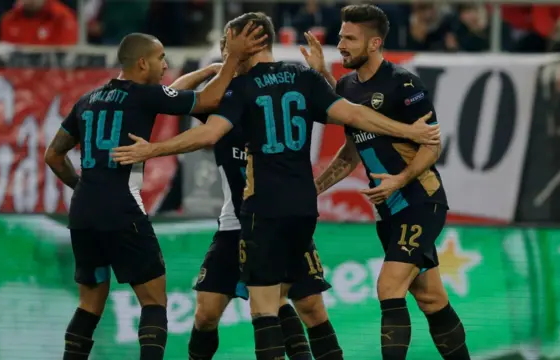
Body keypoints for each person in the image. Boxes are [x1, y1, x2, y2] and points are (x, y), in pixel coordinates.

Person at [111, 12, 439, 360]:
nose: (225, 52)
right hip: (256, 218)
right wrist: (218, 68)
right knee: (214, 312)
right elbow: (353, 114)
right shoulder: (290, 80)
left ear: (246, 43)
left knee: (278, 307)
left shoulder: (236, 93)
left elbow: (199, 125)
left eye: (229, 45)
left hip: (260, 213)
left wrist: (152, 149)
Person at [43, 27, 266, 360]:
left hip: (83, 211)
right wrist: (231, 58)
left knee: (89, 305)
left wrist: (82, 187)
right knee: (153, 302)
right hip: (121, 209)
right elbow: (208, 100)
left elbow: (53, 156)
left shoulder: (87, 100)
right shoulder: (143, 96)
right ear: (143, 63)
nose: (166, 65)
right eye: (161, 58)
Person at [307, 4, 471, 360]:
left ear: (375, 43)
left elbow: (433, 144)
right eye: (340, 37)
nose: (341, 44)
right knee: (431, 299)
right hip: (390, 211)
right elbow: (351, 155)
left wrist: (400, 178)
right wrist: (314, 188)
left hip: (420, 200)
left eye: (350, 38)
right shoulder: (347, 86)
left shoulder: (403, 83)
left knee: (388, 287)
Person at [164, 38, 339, 360]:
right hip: (236, 222)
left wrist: (324, 75)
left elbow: (338, 107)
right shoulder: (224, 102)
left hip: (275, 216)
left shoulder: (282, 99)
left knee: (308, 306)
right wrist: (215, 70)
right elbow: (171, 96)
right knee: (206, 313)